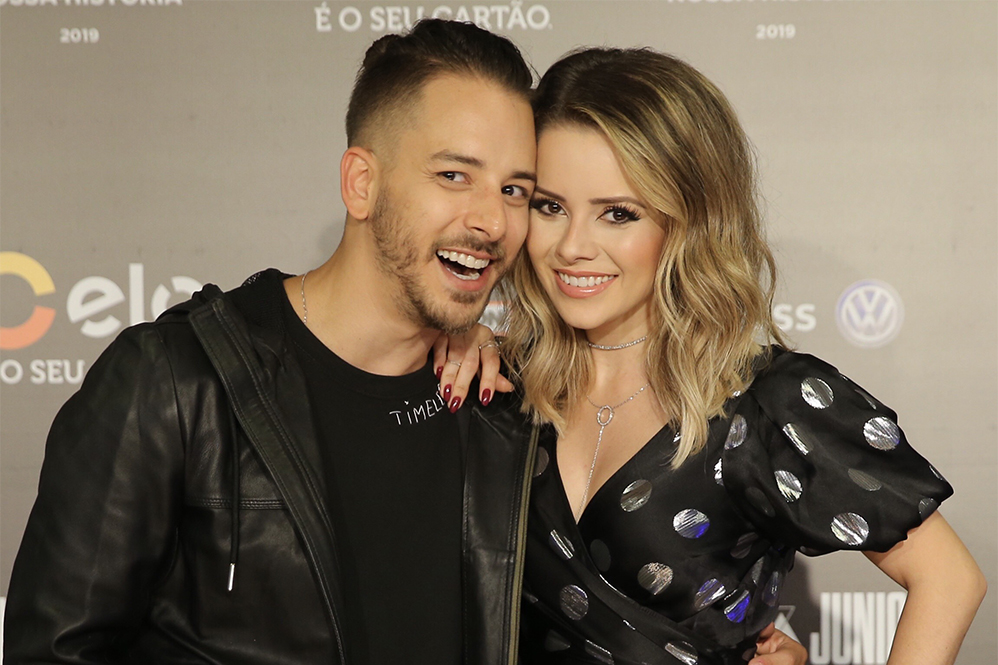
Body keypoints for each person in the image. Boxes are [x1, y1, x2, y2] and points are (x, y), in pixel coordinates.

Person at [4, 19, 540, 665]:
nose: (492, 220)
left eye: (515, 190)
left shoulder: (502, 407)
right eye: (454, 175)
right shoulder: (174, 382)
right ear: (361, 184)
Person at [439, 47, 986, 664]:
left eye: (618, 214)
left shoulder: (766, 403)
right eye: (550, 206)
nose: (572, 246)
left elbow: (949, 580)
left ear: (688, 221)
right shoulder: (497, 382)